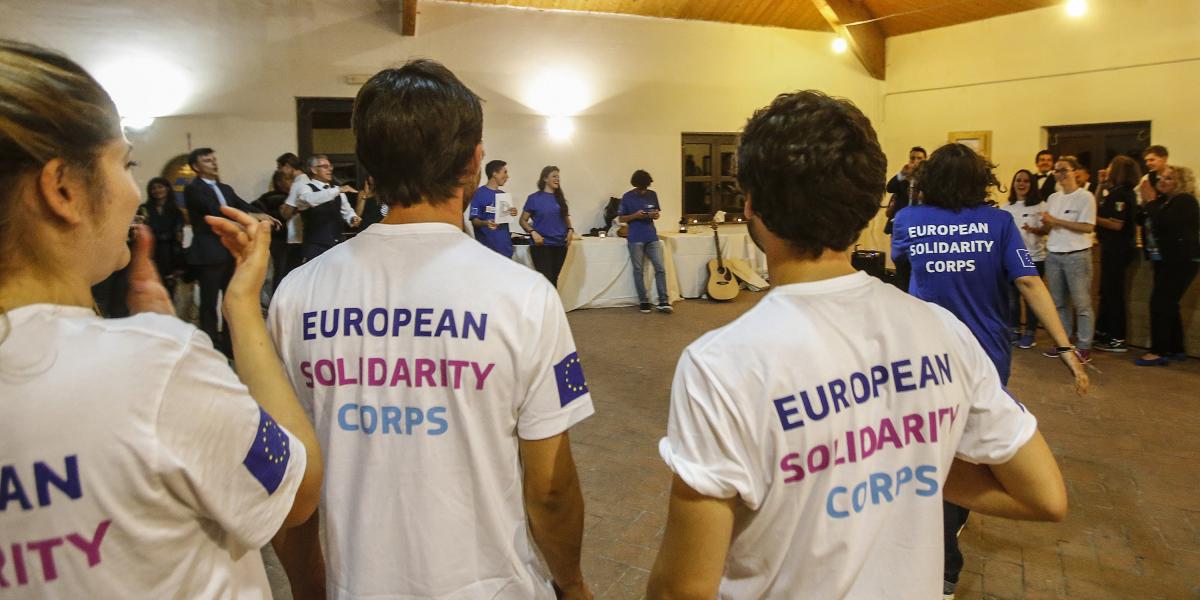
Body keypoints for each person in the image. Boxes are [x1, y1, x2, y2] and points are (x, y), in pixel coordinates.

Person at [645, 90, 1068, 600]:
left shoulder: (721, 364)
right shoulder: (942, 330)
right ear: (866, 203)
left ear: (752, 205)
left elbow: (682, 589)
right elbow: (1044, 496)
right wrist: (909, 460)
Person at [0, 39, 321, 597]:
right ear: (63, 189)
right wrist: (241, 309)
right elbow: (297, 491)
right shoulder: (153, 363)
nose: (134, 191)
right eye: (125, 164)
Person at [268, 59, 594, 600]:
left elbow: (287, 479)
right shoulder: (523, 296)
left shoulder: (297, 294)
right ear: (473, 162)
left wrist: (310, 589)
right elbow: (551, 487)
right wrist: (573, 583)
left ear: (367, 167)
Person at [892, 144, 1086, 598]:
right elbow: (1028, 282)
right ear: (982, 179)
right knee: (966, 451)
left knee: (929, 444)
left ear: (930, 178)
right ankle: (943, 562)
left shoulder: (908, 222)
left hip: (924, 358)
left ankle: (932, 551)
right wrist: (1064, 347)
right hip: (986, 357)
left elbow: (903, 272)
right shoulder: (999, 223)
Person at [183, 146, 275, 355]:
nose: (213, 163)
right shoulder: (194, 188)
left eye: (214, 159)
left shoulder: (225, 188)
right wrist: (251, 217)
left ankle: (228, 346)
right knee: (208, 303)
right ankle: (209, 346)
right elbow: (216, 211)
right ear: (196, 167)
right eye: (207, 161)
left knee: (229, 301)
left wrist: (261, 214)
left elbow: (243, 205)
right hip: (208, 252)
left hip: (229, 251)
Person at [1134, 165, 1199, 366]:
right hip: (1165, 260)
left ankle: (1159, 351)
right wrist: (1145, 201)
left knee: (1160, 303)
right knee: (1169, 304)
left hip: (1181, 260)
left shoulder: (1185, 201)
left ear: (1180, 182)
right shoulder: (1164, 201)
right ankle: (1175, 348)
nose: (1162, 180)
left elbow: (1166, 223)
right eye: (1161, 177)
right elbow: (1142, 218)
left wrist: (1151, 201)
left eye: (1169, 178)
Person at [1037, 155, 1097, 362]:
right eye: (1057, 170)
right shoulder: (1054, 198)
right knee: (1059, 303)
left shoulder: (1085, 197)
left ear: (1075, 172)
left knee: (1082, 303)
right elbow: (1048, 226)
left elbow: (1087, 227)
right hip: (1054, 253)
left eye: (1064, 170)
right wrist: (1043, 224)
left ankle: (1084, 345)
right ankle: (1064, 344)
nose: (1060, 174)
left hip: (1076, 255)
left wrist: (1055, 220)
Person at [1094, 156, 1141, 352]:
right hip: (1110, 248)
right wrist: (1100, 185)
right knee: (1106, 291)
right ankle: (1104, 332)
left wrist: (1091, 218)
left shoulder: (1122, 194)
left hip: (1118, 249)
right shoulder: (1112, 191)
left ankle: (1117, 336)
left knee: (1114, 292)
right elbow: (1095, 204)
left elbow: (1116, 223)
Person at [1001, 169, 1047, 349]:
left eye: (1026, 181)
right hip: (1011, 259)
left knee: (1031, 299)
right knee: (1012, 298)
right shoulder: (1006, 207)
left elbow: (1047, 230)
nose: (1021, 184)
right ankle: (1014, 329)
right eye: (1018, 180)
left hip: (1033, 257)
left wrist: (1035, 230)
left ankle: (1030, 333)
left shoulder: (1040, 206)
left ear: (1032, 184)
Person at [618, 169, 672, 313]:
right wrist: (635, 215)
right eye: (640, 189)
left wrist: (655, 215)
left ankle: (664, 301)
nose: (643, 192)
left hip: (652, 236)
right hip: (635, 237)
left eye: (645, 188)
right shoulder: (627, 197)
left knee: (660, 268)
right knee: (638, 270)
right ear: (635, 185)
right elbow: (621, 218)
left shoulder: (652, 195)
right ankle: (643, 301)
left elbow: (657, 214)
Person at [291, 154, 360, 261]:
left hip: (338, 244)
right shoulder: (305, 188)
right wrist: (338, 190)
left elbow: (347, 211)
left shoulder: (336, 190)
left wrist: (353, 218)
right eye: (325, 167)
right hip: (315, 247)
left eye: (330, 166)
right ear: (314, 170)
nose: (330, 169)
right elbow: (311, 199)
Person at [521, 166, 575, 286]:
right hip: (542, 245)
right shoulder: (534, 198)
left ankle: (551, 305)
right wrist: (533, 232)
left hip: (560, 245)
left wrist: (570, 230)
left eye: (558, 177)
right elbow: (523, 221)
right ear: (545, 178)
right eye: (554, 176)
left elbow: (566, 218)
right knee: (546, 281)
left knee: (554, 279)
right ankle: (546, 305)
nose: (557, 179)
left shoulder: (560, 199)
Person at [140, 177, 185, 297]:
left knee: (168, 292)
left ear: (167, 189)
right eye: (153, 188)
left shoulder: (176, 212)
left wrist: (179, 264)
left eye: (160, 187)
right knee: (149, 291)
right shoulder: (143, 209)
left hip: (169, 255)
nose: (157, 190)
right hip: (149, 254)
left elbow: (178, 237)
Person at [254, 169, 293, 297]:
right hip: (279, 240)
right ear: (279, 182)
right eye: (288, 179)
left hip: (296, 241)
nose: (292, 182)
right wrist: (278, 217)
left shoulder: (299, 195)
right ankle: (277, 300)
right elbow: (257, 214)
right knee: (280, 272)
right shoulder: (269, 198)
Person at [469, 159, 519, 257]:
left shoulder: (503, 195)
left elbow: (504, 218)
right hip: (487, 252)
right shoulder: (479, 193)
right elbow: (474, 221)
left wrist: (512, 212)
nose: (507, 176)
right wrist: (486, 223)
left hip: (506, 250)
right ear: (495, 173)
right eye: (504, 172)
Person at [275, 152, 307, 279]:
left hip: (296, 236)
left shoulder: (298, 184)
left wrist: (284, 208)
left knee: (289, 276)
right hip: (304, 235)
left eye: (280, 167)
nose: (279, 171)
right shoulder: (308, 181)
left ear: (288, 166)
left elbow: (286, 214)